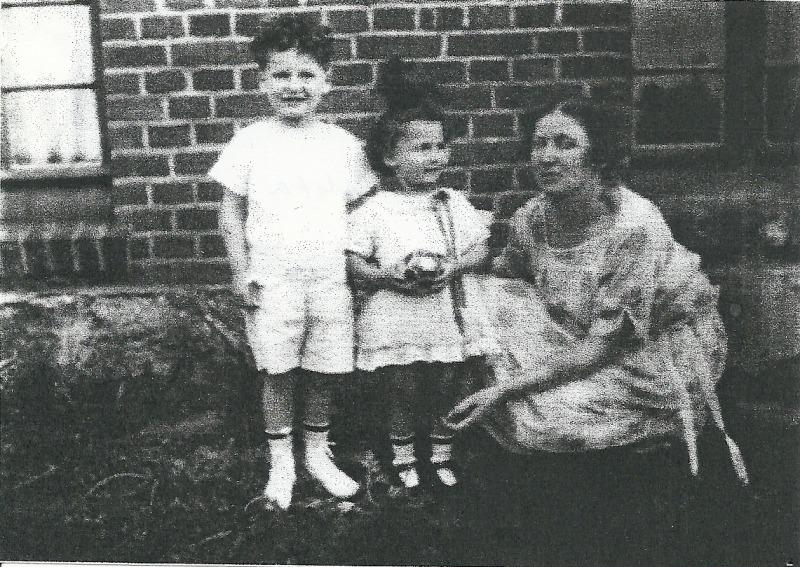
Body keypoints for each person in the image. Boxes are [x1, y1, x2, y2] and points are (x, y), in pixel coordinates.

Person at [444, 96, 749, 564]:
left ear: (599, 156)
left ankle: (599, 502)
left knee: (537, 415)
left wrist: (504, 388)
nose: (546, 156)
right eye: (539, 144)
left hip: (645, 354)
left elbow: (600, 350)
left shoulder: (634, 225)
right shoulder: (533, 217)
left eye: (564, 144)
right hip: (577, 333)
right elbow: (506, 283)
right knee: (478, 296)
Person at [208, 13, 377, 510]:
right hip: (273, 281)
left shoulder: (344, 146)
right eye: (281, 74)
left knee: (323, 370)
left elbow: (362, 211)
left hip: (328, 281)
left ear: (328, 81)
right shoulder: (251, 142)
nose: (294, 85)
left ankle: (317, 453)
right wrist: (241, 273)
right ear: (262, 80)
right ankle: (281, 460)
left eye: (306, 75)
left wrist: (361, 270)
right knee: (279, 372)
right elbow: (230, 212)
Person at [346, 57, 494, 490]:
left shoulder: (452, 202)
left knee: (448, 381)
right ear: (390, 158)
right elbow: (354, 261)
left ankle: (442, 450)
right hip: (395, 313)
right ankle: (404, 457)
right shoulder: (375, 209)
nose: (436, 157)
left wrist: (452, 266)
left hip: (445, 312)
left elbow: (480, 249)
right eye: (421, 148)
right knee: (402, 386)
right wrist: (386, 276)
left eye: (440, 146)